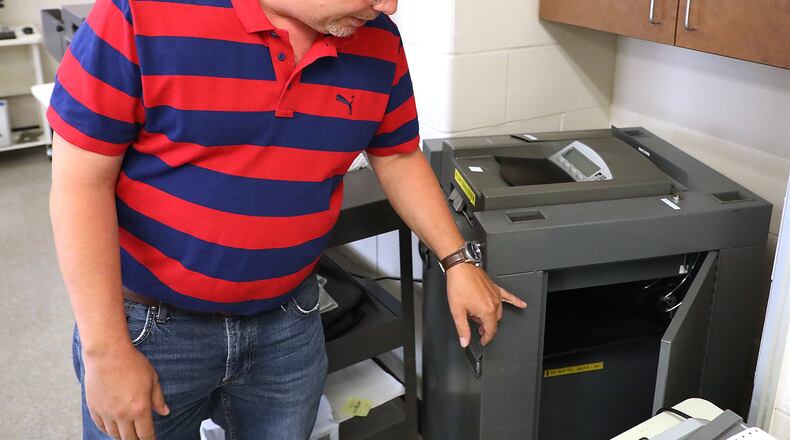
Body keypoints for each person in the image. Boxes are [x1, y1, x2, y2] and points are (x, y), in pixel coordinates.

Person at [48, 0, 528, 438]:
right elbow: (79, 184)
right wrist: (106, 351)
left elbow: (398, 156)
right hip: (150, 327)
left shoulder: (379, 39)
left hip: (287, 322)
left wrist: (458, 261)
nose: (391, 6)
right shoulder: (139, 15)